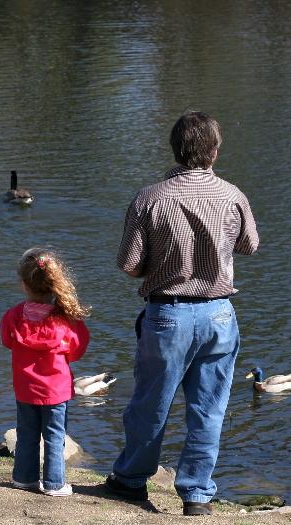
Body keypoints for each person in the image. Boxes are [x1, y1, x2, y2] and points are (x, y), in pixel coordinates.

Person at [106, 111, 259, 515]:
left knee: (151, 404)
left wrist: (159, 266)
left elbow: (128, 264)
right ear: (215, 151)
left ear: (175, 148)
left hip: (168, 314)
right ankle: (196, 495)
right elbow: (249, 245)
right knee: (209, 408)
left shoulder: (149, 197)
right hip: (219, 315)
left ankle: (131, 481)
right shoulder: (232, 195)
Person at [0, 247, 90, 497]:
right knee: (54, 435)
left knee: (26, 433)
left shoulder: (14, 316)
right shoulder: (65, 321)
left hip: (24, 387)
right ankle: (54, 484)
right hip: (55, 391)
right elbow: (77, 350)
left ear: (23, 284)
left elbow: (8, 342)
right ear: (54, 283)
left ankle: (24, 478)